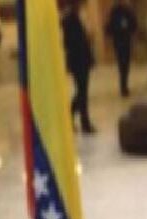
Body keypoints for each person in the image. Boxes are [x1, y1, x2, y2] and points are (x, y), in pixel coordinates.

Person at [61, 0, 96, 134]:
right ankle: (82, 122)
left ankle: (75, 118)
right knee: (82, 92)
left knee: (82, 92)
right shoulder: (69, 19)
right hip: (78, 61)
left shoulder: (77, 17)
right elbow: (70, 42)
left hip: (82, 60)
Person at [105, 0, 138, 97]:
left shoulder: (127, 10)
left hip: (125, 40)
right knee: (122, 64)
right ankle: (123, 86)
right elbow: (109, 28)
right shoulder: (114, 11)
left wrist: (129, 29)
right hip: (119, 41)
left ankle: (124, 85)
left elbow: (134, 24)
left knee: (125, 64)